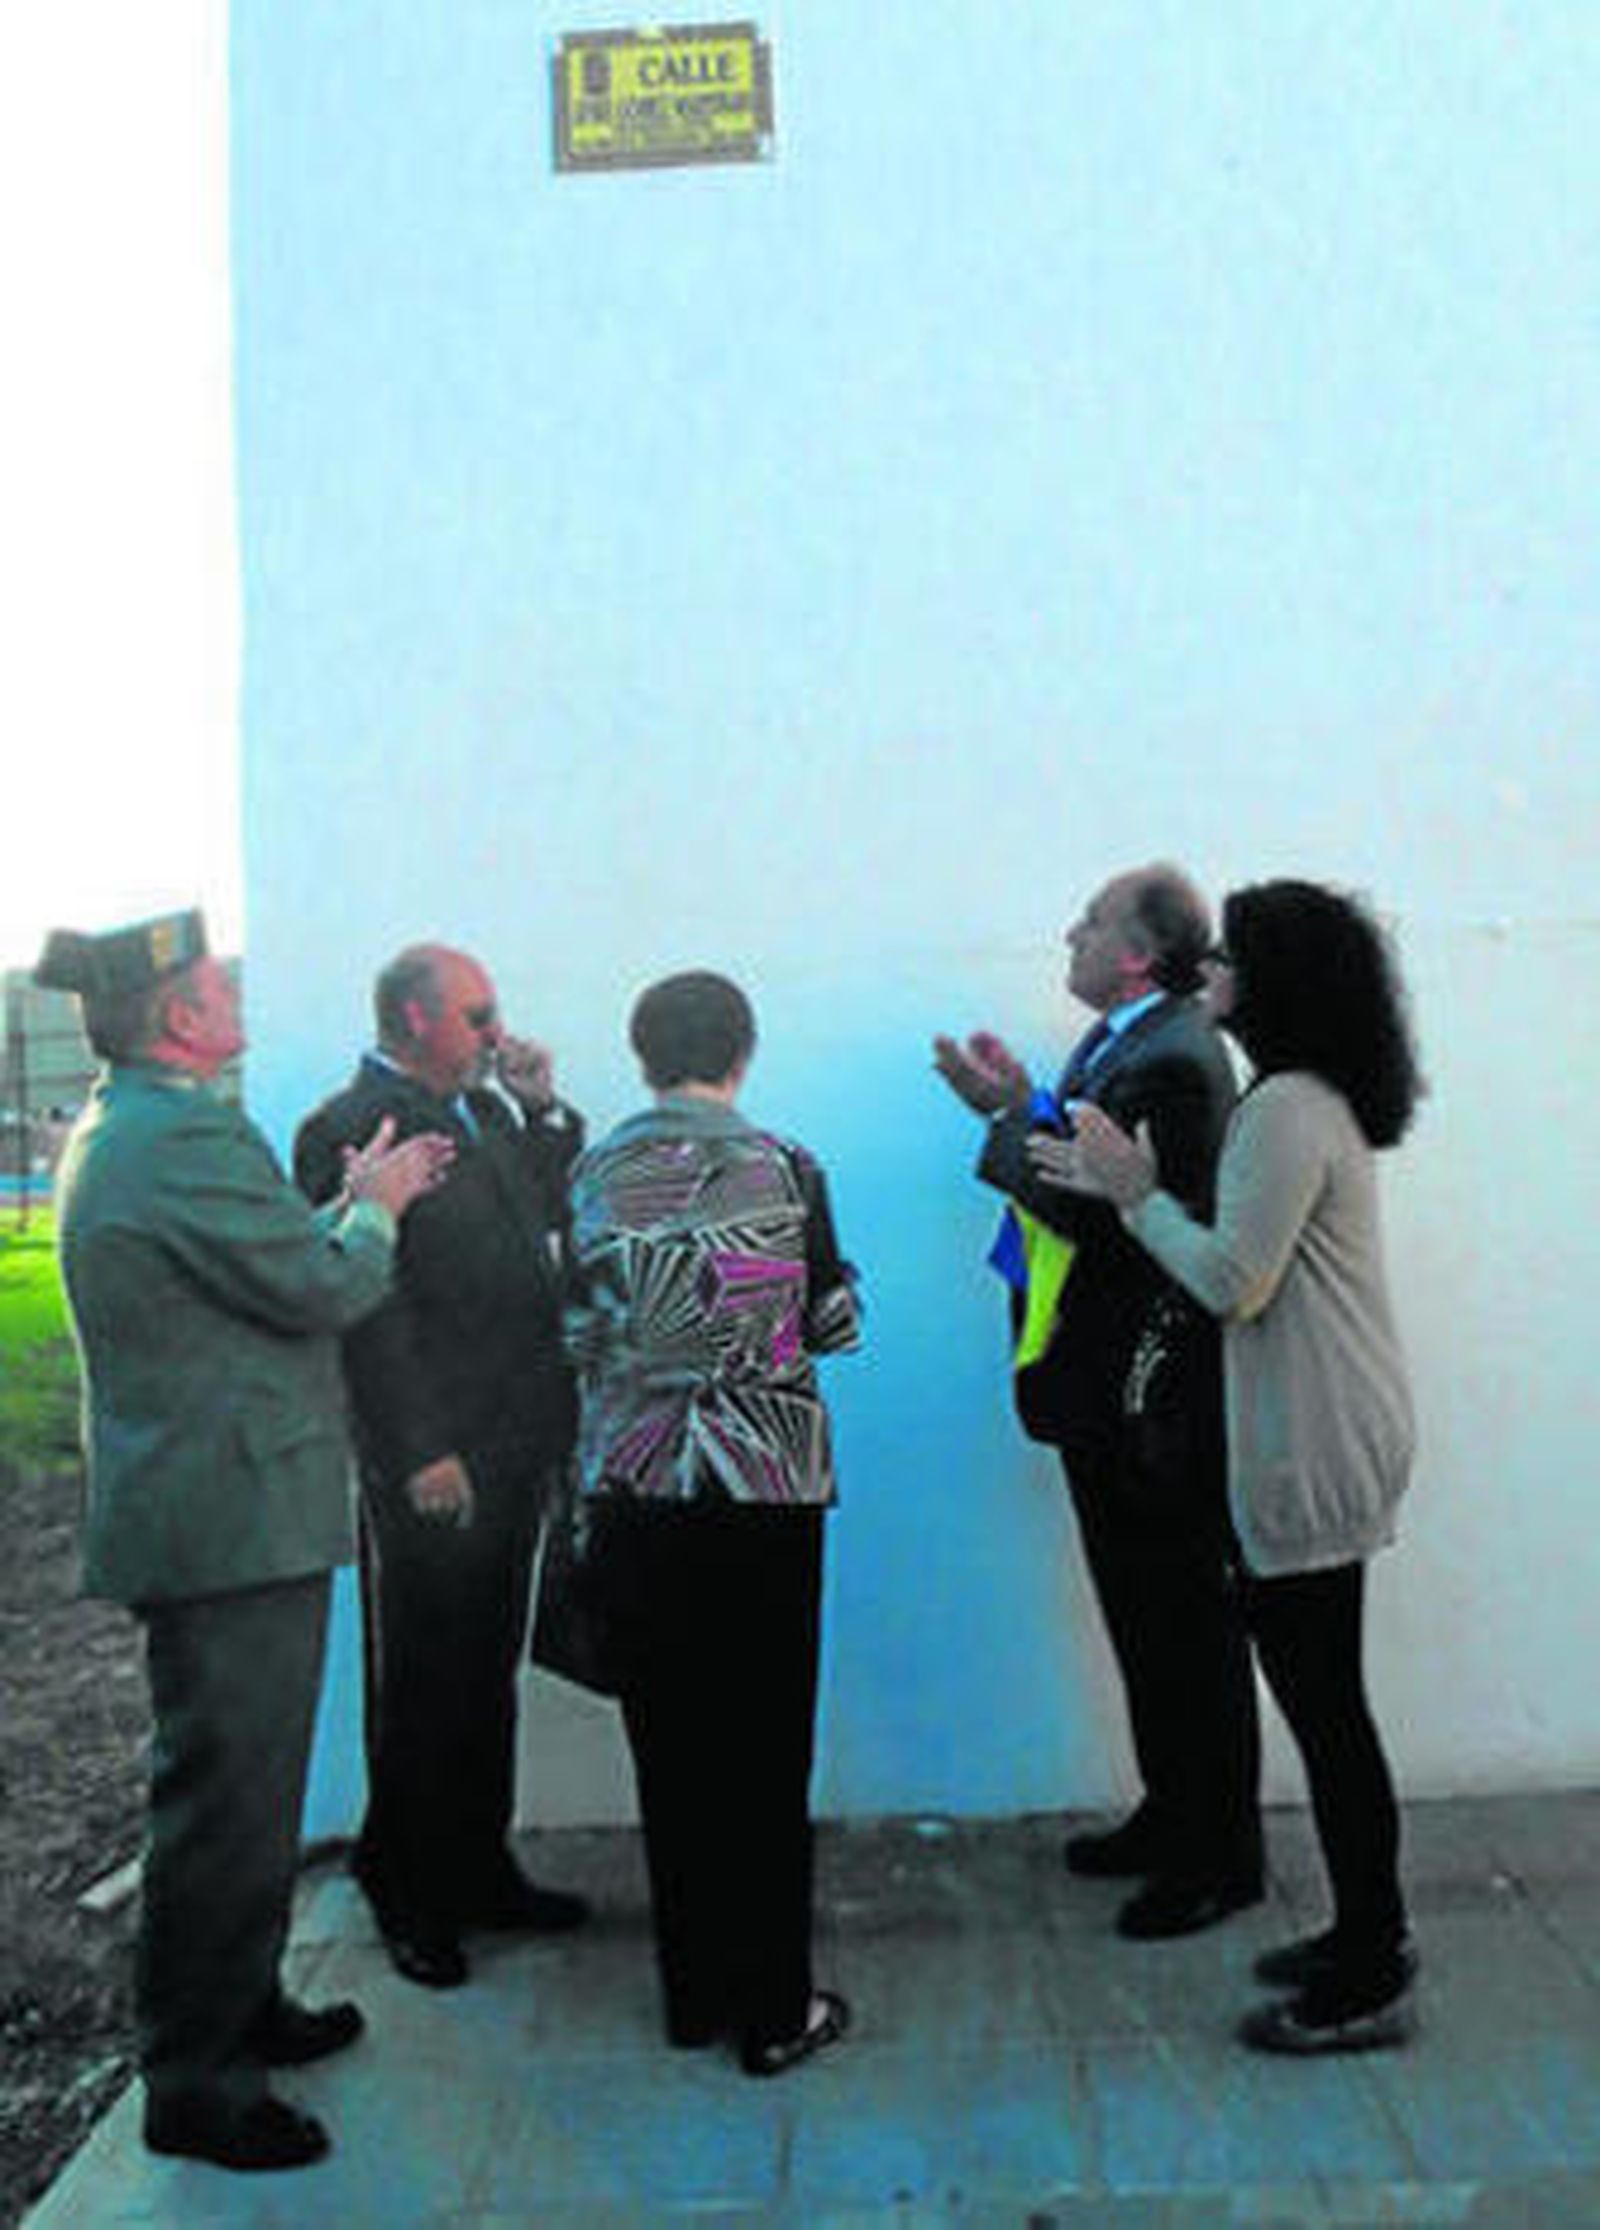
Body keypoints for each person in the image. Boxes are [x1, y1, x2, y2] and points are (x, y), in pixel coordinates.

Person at [37, 909, 452, 2172]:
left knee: (244, 1794)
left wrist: (336, 1206)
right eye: (217, 983)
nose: (235, 994)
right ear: (178, 1019)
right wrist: (375, 1209)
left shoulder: (152, 1127)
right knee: (223, 1807)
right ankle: (201, 2084)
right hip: (229, 1519)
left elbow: (261, 1267)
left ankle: (241, 2006)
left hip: (220, 1506)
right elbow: (325, 1287)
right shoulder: (178, 1141)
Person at [1033, 878, 1421, 2052]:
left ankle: (1370, 1965)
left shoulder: (1286, 1111)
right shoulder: (1298, 1101)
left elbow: (1228, 1279)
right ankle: (1364, 1934)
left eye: (1233, 959)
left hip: (1309, 1439)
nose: (1212, 976)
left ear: (1278, 981)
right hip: (1319, 1426)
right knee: (1323, 1698)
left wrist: (1135, 1192)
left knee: (1326, 1710)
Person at [933, 864, 1263, 1938]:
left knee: (1185, 1624)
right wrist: (1014, 1103)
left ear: (1135, 951)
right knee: (1143, 1613)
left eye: (1089, 921)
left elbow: (1126, 1217)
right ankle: (1173, 1814)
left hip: (1149, 1395)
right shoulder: (1131, 1038)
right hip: (1103, 1388)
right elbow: (1083, 1167)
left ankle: (1219, 1855)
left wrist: (999, 1134)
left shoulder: (1174, 1056)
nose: (1068, 932)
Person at [566, 970, 860, 2075]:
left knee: (672, 1751)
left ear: (643, 1056)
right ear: (743, 1049)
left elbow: (580, 1334)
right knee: (765, 1752)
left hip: (639, 1492)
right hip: (763, 1495)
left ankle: (693, 1995)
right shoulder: (787, 1167)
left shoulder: (591, 1172)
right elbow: (828, 1324)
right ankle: (776, 2008)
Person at [294, 944, 589, 1989]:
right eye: (481, 1013)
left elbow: (552, 1211)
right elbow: (367, 1310)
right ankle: (406, 1885)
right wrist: (417, 1448)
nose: (496, 1030)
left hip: (514, 1439)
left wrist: (545, 1109)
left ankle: (478, 1863)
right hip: (436, 1457)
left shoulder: (488, 1116)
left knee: (484, 1667)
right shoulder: (346, 1128)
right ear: (418, 1016)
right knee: (423, 1677)